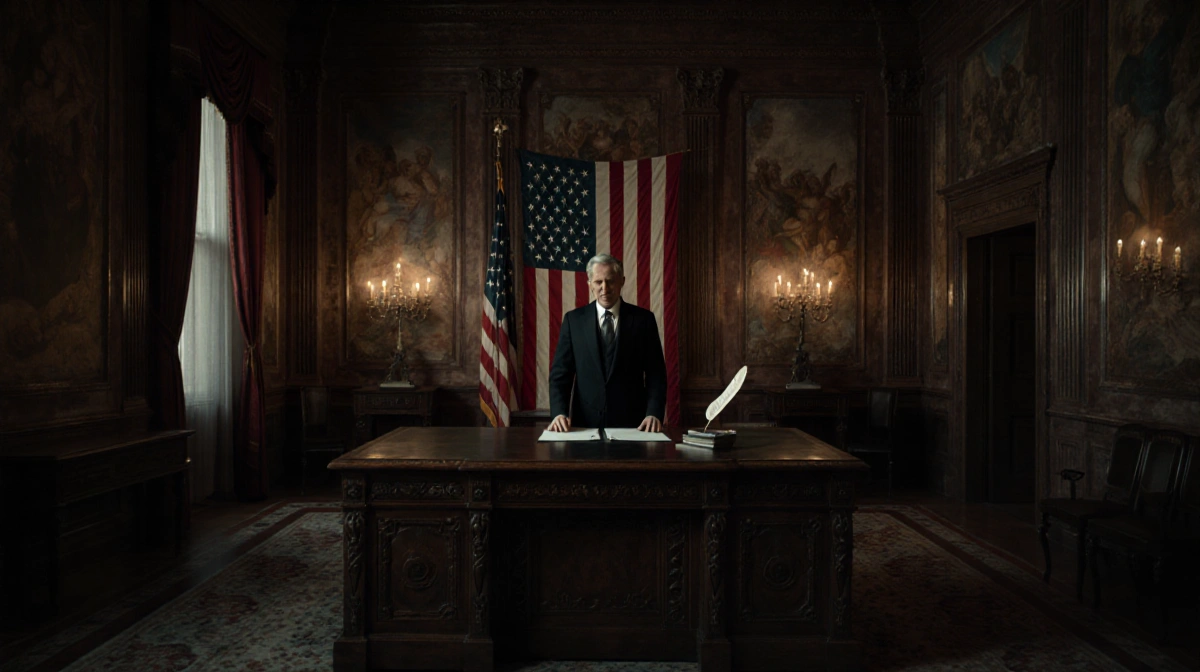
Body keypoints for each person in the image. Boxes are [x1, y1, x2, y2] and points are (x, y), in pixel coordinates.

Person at [547, 254, 667, 432]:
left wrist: (654, 413)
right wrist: (559, 413)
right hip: (583, 426)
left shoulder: (644, 320)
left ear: (622, 282)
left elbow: (656, 374)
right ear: (590, 284)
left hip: (635, 425)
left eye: (610, 281)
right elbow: (560, 375)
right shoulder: (574, 321)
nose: (605, 288)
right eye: (598, 282)